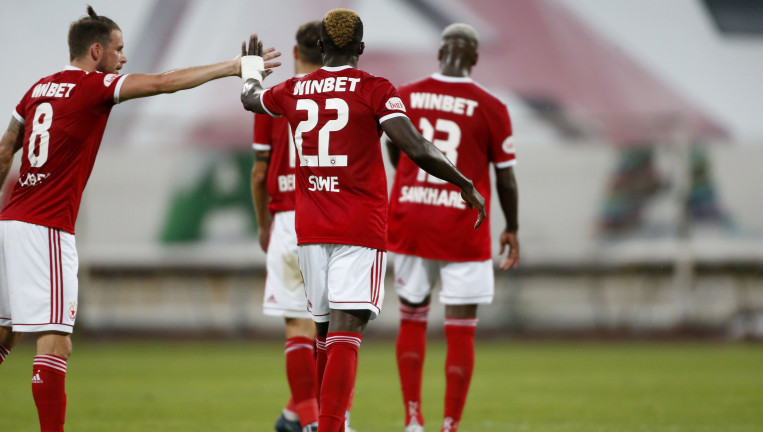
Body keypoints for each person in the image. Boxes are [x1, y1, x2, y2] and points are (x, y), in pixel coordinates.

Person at [0, 7, 280, 432]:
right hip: (46, 228)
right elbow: (163, 82)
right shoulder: (93, 86)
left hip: (9, 222)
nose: (124, 58)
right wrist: (233, 66)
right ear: (97, 51)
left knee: (6, 334)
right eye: (119, 49)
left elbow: (6, 149)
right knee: (56, 342)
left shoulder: (37, 90)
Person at [240, 9, 486, 432]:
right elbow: (416, 146)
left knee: (323, 334)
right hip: (359, 229)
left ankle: (323, 424)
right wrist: (464, 182)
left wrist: (249, 69)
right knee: (345, 333)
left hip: (309, 230)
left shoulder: (294, 89)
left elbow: (250, 98)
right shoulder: (374, 88)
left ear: (320, 47)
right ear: (361, 48)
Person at [385, 23, 520, 432]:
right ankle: (449, 426)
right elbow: (505, 178)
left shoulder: (406, 95)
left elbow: (394, 146)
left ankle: (413, 419)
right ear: (475, 57)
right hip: (464, 224)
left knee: (411, 316)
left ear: (440, 52)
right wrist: (512, 227)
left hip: (411, 219)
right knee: (461, 329)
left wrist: (410, 181)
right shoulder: (492, 106)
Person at [251, 21, 351, 432]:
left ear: (295, 53)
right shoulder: (342, 96)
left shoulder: (277, 97)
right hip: (331, 218)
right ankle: (320, 419)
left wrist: (263, 225)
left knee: (297, 325)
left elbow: (260, 173)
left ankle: (303, 418)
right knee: (337, 328)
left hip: (287, 219)